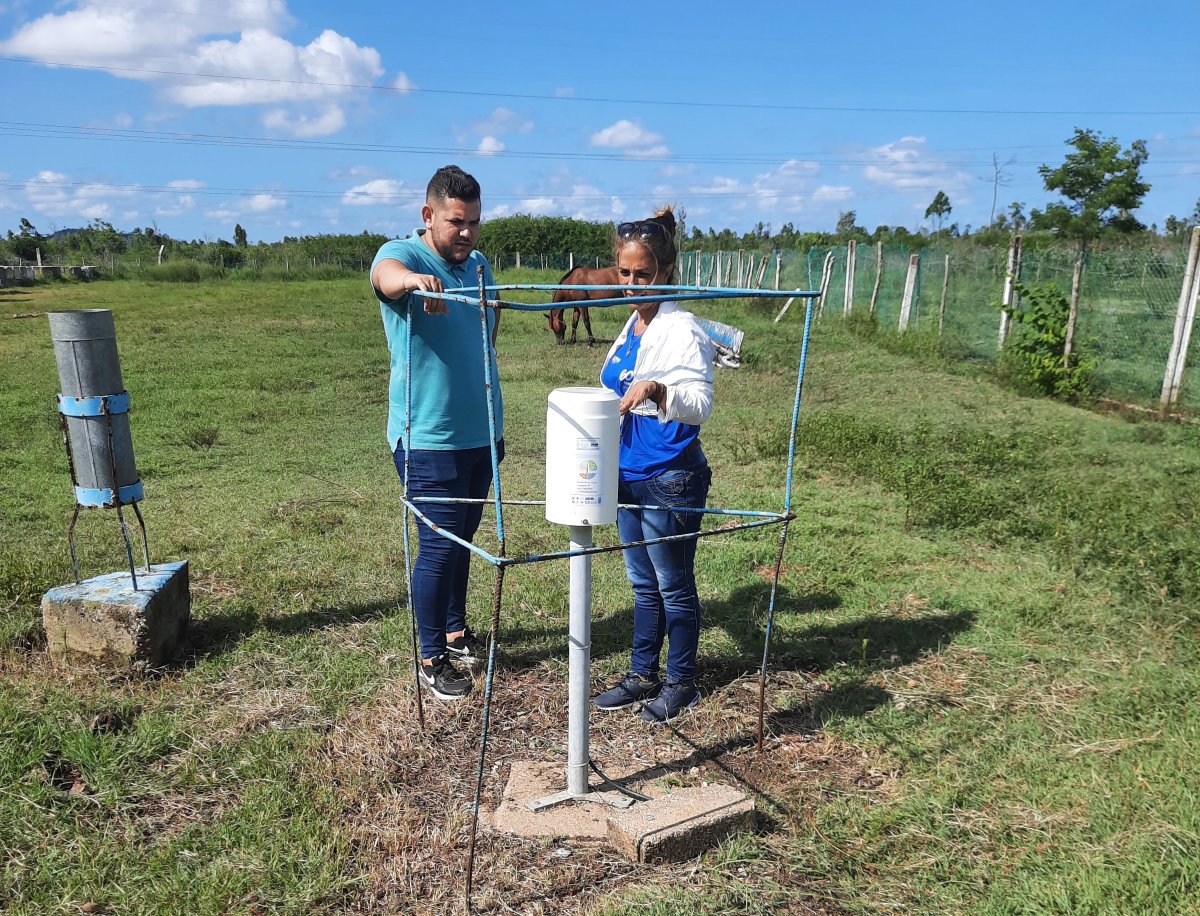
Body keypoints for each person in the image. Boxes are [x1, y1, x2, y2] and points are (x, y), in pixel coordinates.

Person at [370, 165, 502, 701]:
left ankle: (454, 628)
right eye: (455, 222)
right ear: (428, 215)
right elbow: (385, 277)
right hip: (428, 438)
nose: (466, 232)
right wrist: (411, 282)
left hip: (481, 432)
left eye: (473, 222)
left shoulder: (480, 267)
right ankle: (431, 657)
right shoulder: (403, 255)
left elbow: (487, 334)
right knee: (437, 549)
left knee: (463, 539)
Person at [592, 206, 715, 724]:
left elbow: (701, 401)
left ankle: (681, 680)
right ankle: (642, 673)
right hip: (628, 472)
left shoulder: (681, 326)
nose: (631, 284)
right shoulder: (632, 324)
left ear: (664, 272)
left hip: (670, 475)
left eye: (642, 275)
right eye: (624, 274)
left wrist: (661, 390)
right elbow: (611, 388)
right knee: (642, 584)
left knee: (672, 583)